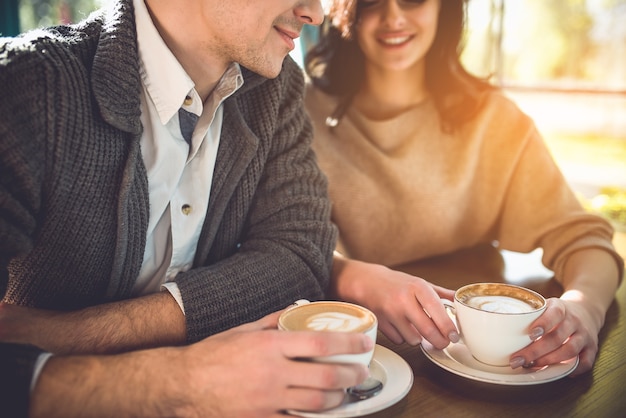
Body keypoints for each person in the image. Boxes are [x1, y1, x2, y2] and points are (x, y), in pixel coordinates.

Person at [0, 0, 372, 415]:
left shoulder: (276, 88)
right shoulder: (26, 84)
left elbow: (299, 258)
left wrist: (70, 334)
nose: (316, 14)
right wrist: (184, 380)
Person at [304, 0, 624, 376]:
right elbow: (279, 246)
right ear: (346, 10)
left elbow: (585, 240)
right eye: (373, 2)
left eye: (412, 0)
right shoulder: (298, 113)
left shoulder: (495, 121)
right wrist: (347, 276)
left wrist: (583, 308)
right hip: (357, 357)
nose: (393, 17)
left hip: (472, 354)